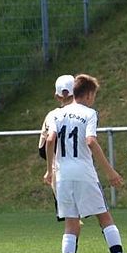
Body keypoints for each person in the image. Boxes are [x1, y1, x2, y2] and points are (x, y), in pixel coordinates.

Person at [43, 74, 127, 253]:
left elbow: (50, 140)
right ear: (89, 95)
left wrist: (50, 170)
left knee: (71, 224)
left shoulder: (55, 114)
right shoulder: (89, 113)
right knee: (105, 218)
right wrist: (110, 171)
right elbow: (90, 141)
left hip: (62, 176)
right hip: (84, 173)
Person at [39, 75, 76, 223]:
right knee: (103, 215)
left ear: (57, 96)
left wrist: (50, 169)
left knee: (70, 218)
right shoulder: (86, 113)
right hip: (81, 166)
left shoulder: (52, 115)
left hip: (60, 166)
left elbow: (43, 147)